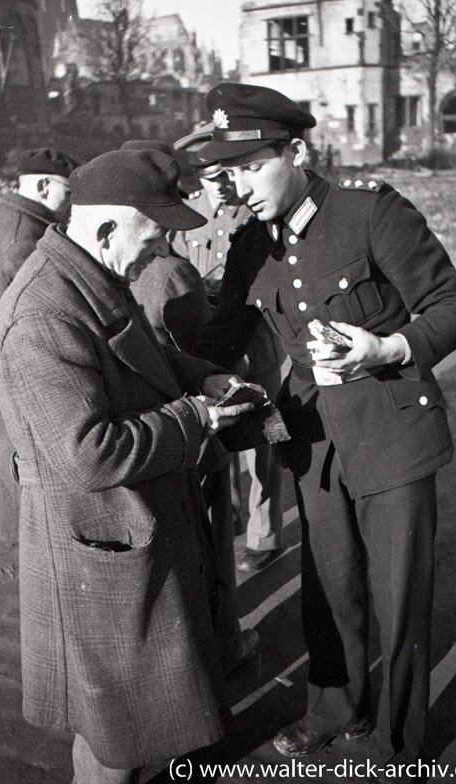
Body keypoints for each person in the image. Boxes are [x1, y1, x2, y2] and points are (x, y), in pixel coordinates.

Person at [194, 82, 456, 780]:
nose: (242, 184)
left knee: (397, 596)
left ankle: (401, 741)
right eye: (229, 171)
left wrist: (386, 350)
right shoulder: (248, 245)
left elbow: (455, 307)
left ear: (295, 150)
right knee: (330, 586)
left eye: (254, 164)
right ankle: (334, 711)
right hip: (314, 442)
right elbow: (218, 337)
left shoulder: (369, 210)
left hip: (392, 433)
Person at [0, 147, 256, 784]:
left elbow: (141, 369)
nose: (164, 245)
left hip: (130, 533)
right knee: (117, 749)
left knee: (137, 733)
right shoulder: (41, 315)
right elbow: (90, 451)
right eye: (156, 231)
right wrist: (197, 418)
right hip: (99, 548)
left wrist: (204, 378)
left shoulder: (94, 277)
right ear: (108, 228)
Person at [127, 141, 260, 674]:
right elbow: (210, 352)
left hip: (158, 438)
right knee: (214, 550)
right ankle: (225, 647)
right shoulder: (172, 273)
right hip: (196, 435)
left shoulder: (117, 270)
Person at [173, 127, 286, 571]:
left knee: (268, 440)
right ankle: (233, 514)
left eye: (226, 174)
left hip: (258, 349)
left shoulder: (257, 215)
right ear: (197, 177)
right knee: (219, 441)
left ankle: (265, 534)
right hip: (211, 353)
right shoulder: (185, 219)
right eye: (208, 177)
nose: (220, 186)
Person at [0, 147, 78, 540]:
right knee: (39, 528)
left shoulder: (0, 220)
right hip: (22, 392)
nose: (69, 205)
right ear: (44, 185)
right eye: (66, 193)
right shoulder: (26, 239)